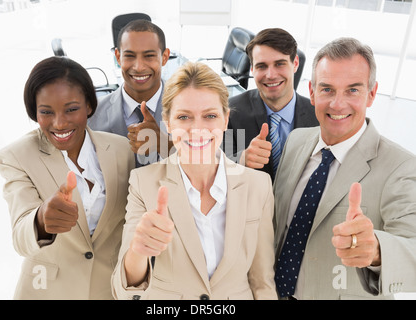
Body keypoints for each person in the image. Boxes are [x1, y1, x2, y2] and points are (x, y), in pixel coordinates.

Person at [111, 62, 277, 300]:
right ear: (167, 123)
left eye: (210, 116)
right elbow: (124, 289)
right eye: (184, 117)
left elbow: (262, 282)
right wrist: (139, 251)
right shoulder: (143, 183)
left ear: (225, 119)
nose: (197, 129)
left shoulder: (258, 186)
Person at [273, 37, 416, 300]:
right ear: (312, 92)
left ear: (371, 94)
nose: (338, 104)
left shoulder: (401, 167)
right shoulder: (296, 140)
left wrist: (376, 251)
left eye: (352, 90)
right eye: (327, 89)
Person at [0, 56, 135, 299]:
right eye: (46, 112)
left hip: (109, 289)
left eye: (71, 109)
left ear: (90, 106)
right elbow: (20, 236)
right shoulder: (16, 156)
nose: (59, 124)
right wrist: (40, 221)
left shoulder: (121, 149)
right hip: (49, 291)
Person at [225, 28, 318, 181]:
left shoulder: (318, 116)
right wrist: (242, 159)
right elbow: (216, 165)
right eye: (262, 66)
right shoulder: (232, 112)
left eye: (279, 64)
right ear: (252, 69)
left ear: (295, 64)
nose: (271, 75)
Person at [88, 19, 173, 166]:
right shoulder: (92, 116)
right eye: (130, 56)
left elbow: (214, 166)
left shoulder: (193, 109)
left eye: (149, 56)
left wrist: (165, 145)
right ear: (118, 57)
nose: (139, 67)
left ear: (164, 57)